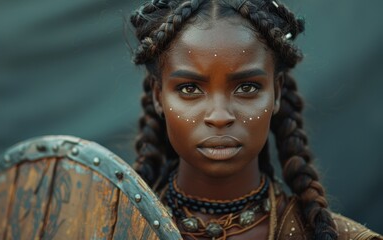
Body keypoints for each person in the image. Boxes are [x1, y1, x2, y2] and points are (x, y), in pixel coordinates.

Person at [129, 0, 383, 239]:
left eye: (247, 88)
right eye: (189, 89)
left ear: (277, 92)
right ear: (158, 96)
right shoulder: (104, 226)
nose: (219, 117)